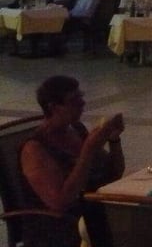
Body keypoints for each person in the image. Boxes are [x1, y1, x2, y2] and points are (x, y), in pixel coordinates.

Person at [18, 76, 125, 247]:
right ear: (53, 107)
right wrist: (88, 150)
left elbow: (114, 174)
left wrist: (114, 139)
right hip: (59, 228)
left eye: (81, 96)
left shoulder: (76, 129)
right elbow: (60, 202)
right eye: (74, 100)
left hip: (92, 211)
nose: (82, 103)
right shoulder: (35, 149)